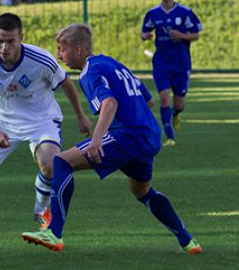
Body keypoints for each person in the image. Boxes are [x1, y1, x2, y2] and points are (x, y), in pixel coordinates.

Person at [21, 23, 202, 255]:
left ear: (78, 49)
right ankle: (189, 242)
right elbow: (148, 100)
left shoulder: (90, 71)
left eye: (61, 48)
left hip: (128, 135)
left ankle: (53, 232)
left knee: (61, 162)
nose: (58, 54)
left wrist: (98, 140)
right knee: (143, 191)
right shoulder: (112, 63)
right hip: (149, 135)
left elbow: (110, 103)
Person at [0, 13, 92, 239]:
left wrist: (80, 115)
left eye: (10, 41)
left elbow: (66, 82)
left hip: (42, 120)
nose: (4, 47)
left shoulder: (41, 59)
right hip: (4, 122)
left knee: (49, 164)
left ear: (21, 38)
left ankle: (41, 211)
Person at [141, 0, 202, 146]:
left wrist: (181, 35)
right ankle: (169, 136)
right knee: (164, 97)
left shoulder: (185, 13)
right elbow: (144, 31)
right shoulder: (153, 13)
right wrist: (145, 36)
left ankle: (176, 114)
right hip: (161, 61)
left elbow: (196, 34)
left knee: (179, 102)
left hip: (181, 63)